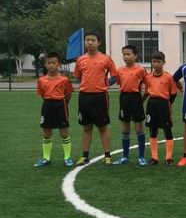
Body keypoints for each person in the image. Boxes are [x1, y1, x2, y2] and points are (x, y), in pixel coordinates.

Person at [73, 31, 118, 166]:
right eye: (87, 40)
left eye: (93, 40)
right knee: (86, 127)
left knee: (102, 127)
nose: (90, 42)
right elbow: (78, 76)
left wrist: (105, 84)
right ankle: (85, 156)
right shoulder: (80, 60)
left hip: (100, 97)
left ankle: (107, 156)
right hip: (84, 97)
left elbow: (115, 75)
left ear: (99, 43)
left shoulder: (106, 59)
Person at [33, 52, 74, 167]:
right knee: (46, 133)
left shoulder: (64, 79)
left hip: (61, 105)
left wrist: (63, 104)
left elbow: (68, 94)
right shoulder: (41, 80)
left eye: (54, 63)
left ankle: (67, 158)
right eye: (48, 63)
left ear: (59, 64)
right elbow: (42, 94)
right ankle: (46, 158)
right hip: (47, 105)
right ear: (45, 64)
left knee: (64, 133)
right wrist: (49, 101)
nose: (51, 65)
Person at [112, 45, 148, 166]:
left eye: (128, 54)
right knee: (125, 129)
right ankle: (125, 156)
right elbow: (119, 83)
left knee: (139, 128)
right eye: (124, 54)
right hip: (124, 99)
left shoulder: (141, 70)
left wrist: (141, 100)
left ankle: (141, 157)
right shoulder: (120, 70)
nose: (126, 56)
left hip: (136, 98)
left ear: (135, 56)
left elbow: (147, 86)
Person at [143, 51, 178, 166]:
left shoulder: (168, 77)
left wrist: (169, 103)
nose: (156, 64)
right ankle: (154, 157)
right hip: (152, 104)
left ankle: (168, 158)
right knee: (152, 130)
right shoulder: (148, 77)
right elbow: (146, 92)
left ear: (163, 62)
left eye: (158, 62)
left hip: (164, 104)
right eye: (154, 62)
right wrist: (141, 102)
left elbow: (173, 93)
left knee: (167, 129)